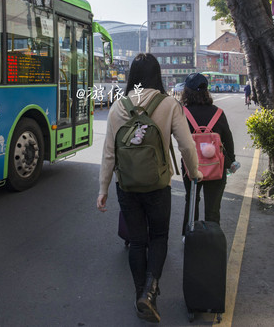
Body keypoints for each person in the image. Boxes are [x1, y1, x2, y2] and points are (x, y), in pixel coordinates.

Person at [97, 53, 201, 323]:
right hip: (158, 185)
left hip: (127, 186)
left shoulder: (118, 106)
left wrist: (103, 189)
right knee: (158, 238)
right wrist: (195, 170)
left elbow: (109, 152)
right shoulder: (168, 104)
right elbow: (186, 146)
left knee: (137, 242)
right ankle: (150, 292)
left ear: (132, 75)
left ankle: (139, 295)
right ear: (158, 75)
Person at [181, 73, 236, 235]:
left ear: (187, 91)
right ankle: (212, 242)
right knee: (213, 209)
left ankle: (188, 237)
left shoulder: (183, 113)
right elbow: (228, 140)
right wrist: (231, 162)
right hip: (216, 167)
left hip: (190, 167)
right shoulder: (218, 113)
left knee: (191, 201)